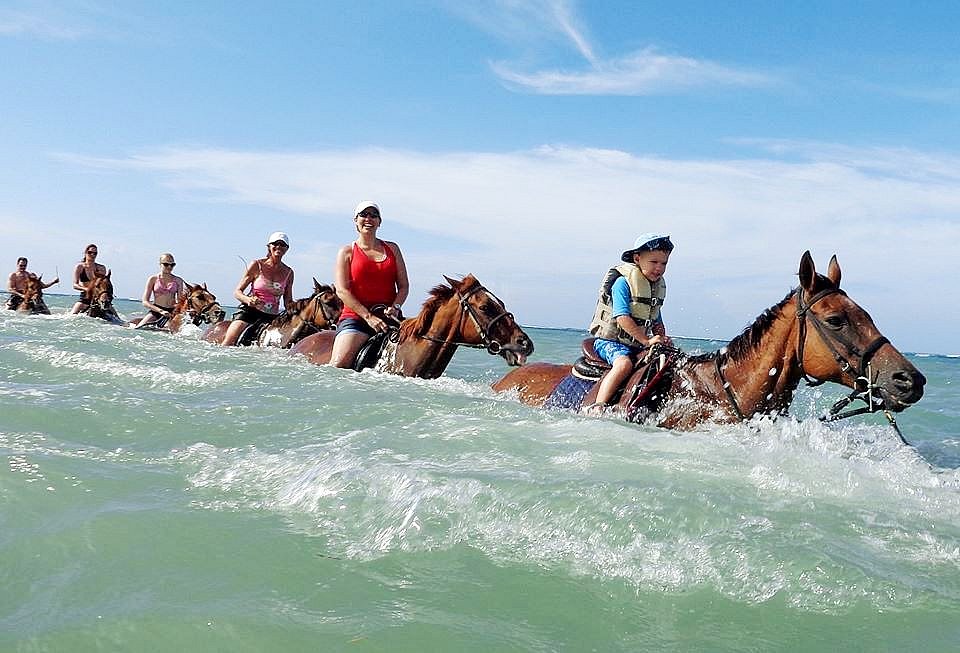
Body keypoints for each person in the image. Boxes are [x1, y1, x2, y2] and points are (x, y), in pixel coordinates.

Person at [586, 233, 675, 411]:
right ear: (637, 258)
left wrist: (661, 338)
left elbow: (656, 319)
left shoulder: (654, 288)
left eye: (663, 263)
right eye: (653, 262)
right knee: (624, 364)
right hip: (611, 343)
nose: (659, 268)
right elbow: (622, 317)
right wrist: (646, 341)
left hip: (637, 345)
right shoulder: (622, 283)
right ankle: (598, 405)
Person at [330, 201, 409, 368]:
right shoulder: (346, 252)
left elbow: (403, 286)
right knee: (338, 365)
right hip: (356, 319)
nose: (368, 219)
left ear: (379, 222)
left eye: (373, 215)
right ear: (356, 220)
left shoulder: (392, 249)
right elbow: (342, 291)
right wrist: (368, 317)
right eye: (364, 215)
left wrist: (396, 306)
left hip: (389, 319)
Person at [221, 232, 295, 346]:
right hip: (250, 312)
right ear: (269, 246)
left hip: (273, 317)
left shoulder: (289, 272)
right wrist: (248, 300)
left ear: (287, 249)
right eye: (275, 244)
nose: (279, 247)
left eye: (282, 245)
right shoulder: (257, 265)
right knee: (229, 341)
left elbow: (288, 301)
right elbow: (237, 292)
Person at [134, 253, 185, 328]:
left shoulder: (178, 280)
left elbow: (181, 302)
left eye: (172, 265)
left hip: (172, 312)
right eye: (166, 264)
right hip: (156, 310)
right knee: (139, 328)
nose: (169, 267)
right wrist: (160, 311)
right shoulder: (153, 279)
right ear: (160, 264)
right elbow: (145, 302)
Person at [71, 244, 108, 314]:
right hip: (86, 296)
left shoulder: (101, 268)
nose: (92, 255)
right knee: (72, 315)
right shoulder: (80, 267)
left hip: (98, 297)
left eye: (95, 253)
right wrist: (87, 289)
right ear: (85, 253)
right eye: (90, 252)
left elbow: (104, 284)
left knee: (115, 317)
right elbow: (75, 285)